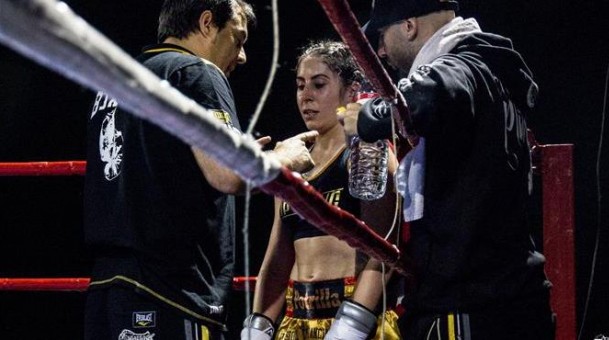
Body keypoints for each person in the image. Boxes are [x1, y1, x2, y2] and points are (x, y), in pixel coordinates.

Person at [83, 1, 317, 339]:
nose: (242, 56)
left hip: (108, 289)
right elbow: (229, 174)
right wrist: (283, 156)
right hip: (170, 291)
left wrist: (236, 147)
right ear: (207, 23)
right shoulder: (196, 72)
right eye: (237, 39)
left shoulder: (119, 79)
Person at [337, 0, 555, 339]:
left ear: (408, 26)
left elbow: (427, 96)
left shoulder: (461, 66)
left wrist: (366, 117)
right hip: (506, 298)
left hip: (468, 302)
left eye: (382, 36)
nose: (379, 51)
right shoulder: (490, 71)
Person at [240, 40, 402, 340]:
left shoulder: (365, 153)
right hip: (295, 321)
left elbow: (384, 248)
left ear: (351, 91)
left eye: (319, 84)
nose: (306, 96)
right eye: (301, 86)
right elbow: (277, 256)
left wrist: (351, 326)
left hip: (353, 314)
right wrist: (258, 326)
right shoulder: (292, 156)